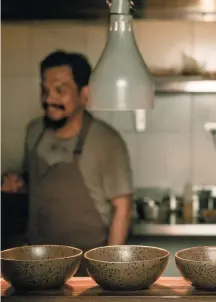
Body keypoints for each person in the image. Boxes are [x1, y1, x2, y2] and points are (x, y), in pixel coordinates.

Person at [1, 50, 134, 275]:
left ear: (84, 94)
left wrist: (110, 270)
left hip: (87, 271)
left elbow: (123, 207)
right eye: (45, 90)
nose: (49, 99)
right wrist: (16, 184)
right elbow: (35, 183)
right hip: (37, 264)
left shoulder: (105, 141)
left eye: (60, 90)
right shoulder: (34, 132)